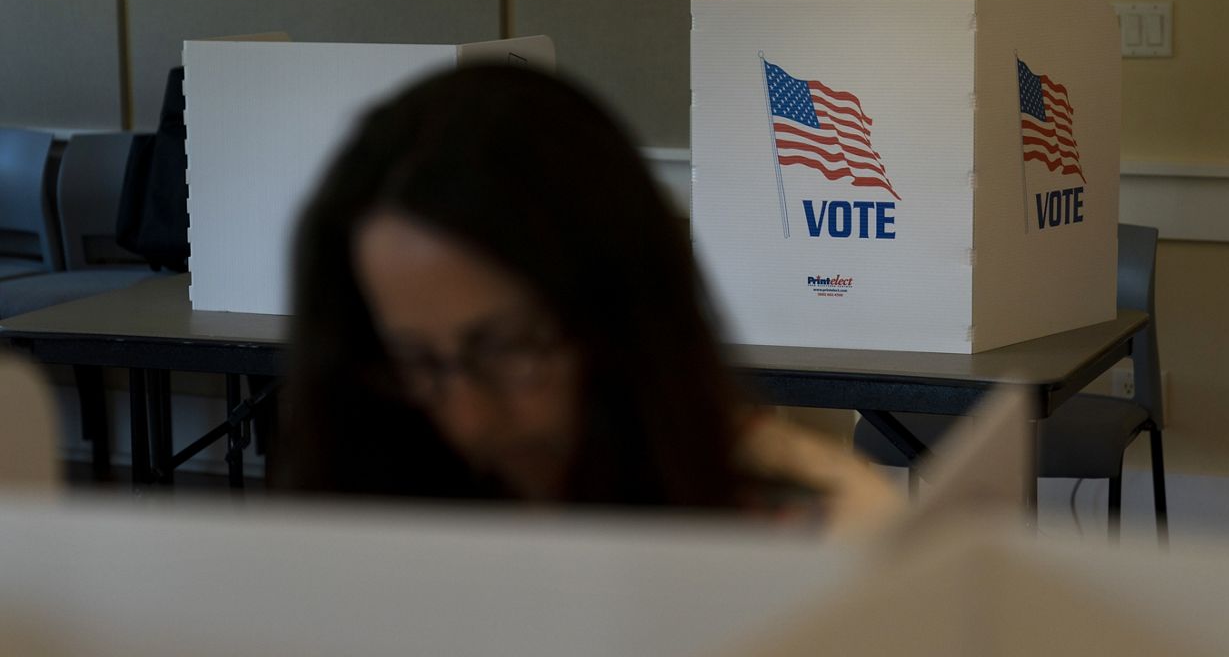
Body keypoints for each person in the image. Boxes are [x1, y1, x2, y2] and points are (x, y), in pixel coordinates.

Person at [274, 64, 899, 534]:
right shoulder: (359, 507)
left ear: (623, 316)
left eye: (510, 348)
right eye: (414, 362)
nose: (467, 420)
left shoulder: (825, 526)